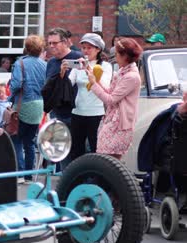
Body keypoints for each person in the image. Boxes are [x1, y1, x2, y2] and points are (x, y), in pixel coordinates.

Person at [87, 37, 143, 159]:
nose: (115, 57)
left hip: (120, 124)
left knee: (110, 162)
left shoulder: (131, 76)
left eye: (117, 54)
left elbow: (110, 100)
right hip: (112, 120)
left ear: (125, 56)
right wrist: (95, 81)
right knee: (106, 160)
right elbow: (110, 92)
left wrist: (94, 84)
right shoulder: (122, 71)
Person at [61, 33, 112, 161]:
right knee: (76, 150)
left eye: (89, 47)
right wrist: (62, 72)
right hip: (77, 112)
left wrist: (88, 68)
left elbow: (104, 85)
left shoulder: (105, 66)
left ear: (98, 49)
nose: (85, 51)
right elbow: (67, 85)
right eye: (83, 47)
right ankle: (78, 179)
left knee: (97, 149)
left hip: (96, 113)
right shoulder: (79, 65)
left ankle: (96, 179)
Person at [9, 35, 47, 178]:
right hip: (39, 105)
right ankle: (28, 176)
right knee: (30, 142)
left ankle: (19, 173)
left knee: (16, 138)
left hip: (23, 104)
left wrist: (10, 95)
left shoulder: (21, 63)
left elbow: (17, 84)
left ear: (26, 48)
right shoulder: (44, 65)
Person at [44, 27, 82, 170]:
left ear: (65, 42)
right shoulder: (51, 63)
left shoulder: (78, 57)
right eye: (50, 43)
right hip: (57, 113)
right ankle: (66, 182)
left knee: (78, 152)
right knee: (63, 151)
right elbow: (48, 87)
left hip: (77, 113)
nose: (52, 46)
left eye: (55, 43)